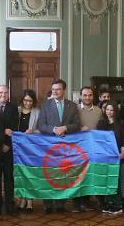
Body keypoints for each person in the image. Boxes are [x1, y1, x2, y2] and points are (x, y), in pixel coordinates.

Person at [37, 79, 81, 213]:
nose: (55, 91)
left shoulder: (72, 106)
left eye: (58, 89)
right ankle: (48, 204)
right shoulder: (45, 105)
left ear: (64, 90)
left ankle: (61, 203)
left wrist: (65, 128)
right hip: (49, 147)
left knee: (63, 174)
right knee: (49, 174)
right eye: (53, 89)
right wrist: (54, 129)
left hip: (66, 147)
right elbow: (41, 125)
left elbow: (77, 125)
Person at [96, 101, 124, 214]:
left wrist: (123, 152)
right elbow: (98, 140)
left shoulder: (121, 123)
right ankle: (108, 203)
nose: (109, 112)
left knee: (115, 179)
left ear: (115, 111)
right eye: (107, 109)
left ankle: (117, 204)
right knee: (106, 180)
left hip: (117, 156)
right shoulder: (101, 123)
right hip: (104, 156)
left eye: (112, 110)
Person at [75, 86, 102, 211]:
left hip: (93, 149)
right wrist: (79, 129)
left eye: (90, 95)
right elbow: (69, 126)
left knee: (90, 174)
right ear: (80, 96)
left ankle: (86, 201)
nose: (87, 97)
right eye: (85, 95)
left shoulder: (99, 111)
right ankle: (77, 203)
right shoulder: (74, 110)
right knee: (78, 175)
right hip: (78, 149)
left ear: (93, 96)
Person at [0, 85, 18, 215]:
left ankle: (10, 204)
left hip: (9, 148)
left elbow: (14, 127)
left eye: (5, 92)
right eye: (0, 92)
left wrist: (7, 144)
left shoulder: (13, 108)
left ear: (8, 94)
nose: (3, 94)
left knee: (9, 178)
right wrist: (3, 133)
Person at [16, 90, 40, 212]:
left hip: (31, 147)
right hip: (18, 148)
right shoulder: (17, 110)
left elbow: (41, 129)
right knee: (20, 173)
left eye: (30, 101)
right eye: (25, 100)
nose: (27, 103)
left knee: (30, 173)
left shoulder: (37, 112)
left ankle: (30, 201)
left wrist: (33, 131)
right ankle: (22, 199)